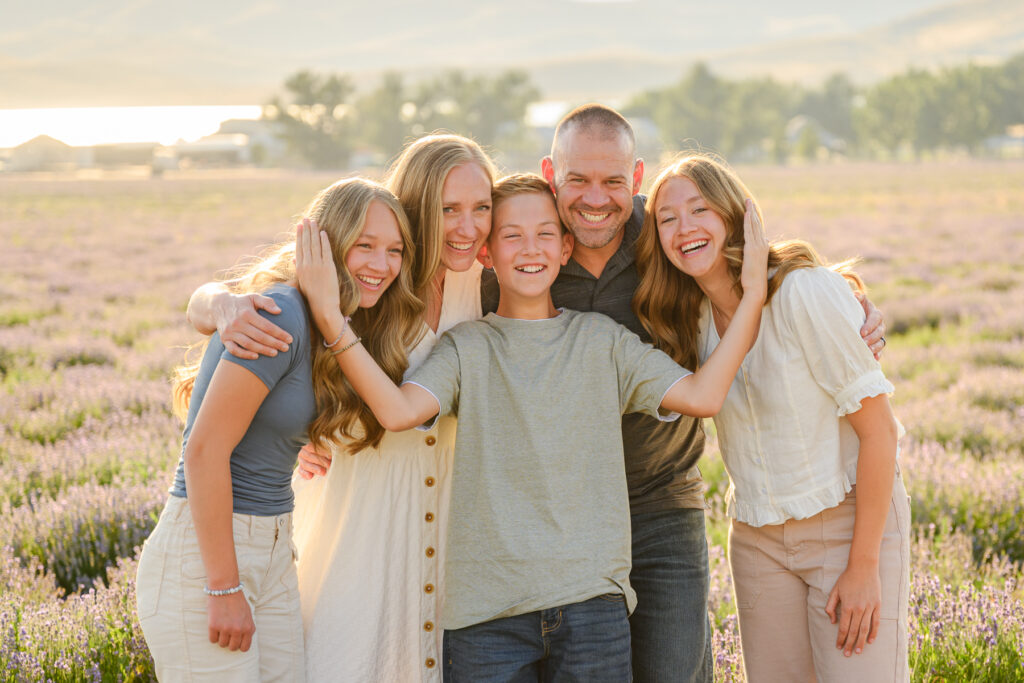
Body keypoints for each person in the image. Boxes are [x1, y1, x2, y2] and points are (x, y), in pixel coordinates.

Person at [293, 172, 769, 682]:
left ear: (566, 248)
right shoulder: (465, 348)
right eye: (511, 235)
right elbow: (395, 411)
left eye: (545, 234)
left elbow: (704, 395)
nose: (530, 249)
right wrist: (327, 314)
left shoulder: (602, 341)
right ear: (486, 254)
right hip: (486, 617)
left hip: (591, 603)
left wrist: (754, 295)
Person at [478, 104, 889, 682]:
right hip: (555, 517)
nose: (596, 198)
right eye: (577, 180)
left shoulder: (668, 233)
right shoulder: (524, 247)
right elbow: (420, 294)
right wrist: (314, 402)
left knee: (673, 670)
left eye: (613, 182)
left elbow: (755, 268)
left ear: (636, 179)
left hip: (660, 505)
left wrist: (851, 306)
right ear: (551, 173)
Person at [186, 134, 498, 681]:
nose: (468, 227)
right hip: (354, 523)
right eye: (449, 209)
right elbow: (260, 296)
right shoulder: (369, 280)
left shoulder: (491, 288)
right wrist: (222, 304)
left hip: (449, 529)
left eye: (482, 208)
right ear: (418, 205)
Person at [633, 153, 909, 682]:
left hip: (848, 522)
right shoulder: (686, 321)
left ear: (735, 215)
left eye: (699, 210)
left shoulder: (803, 293)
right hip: (758, 538)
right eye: (667, 218)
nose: (684, 228)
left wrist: (864, 566)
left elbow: (881, 434)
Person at [136, 177, 421, 681]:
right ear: (324, 244)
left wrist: (304, 440)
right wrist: (223, 587)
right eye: (365, 246)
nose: (382, 265)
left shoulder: (332, 323)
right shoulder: (285, 313)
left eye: (395, 250)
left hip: (272, 549)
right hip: (209, 557)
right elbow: (203, 451)